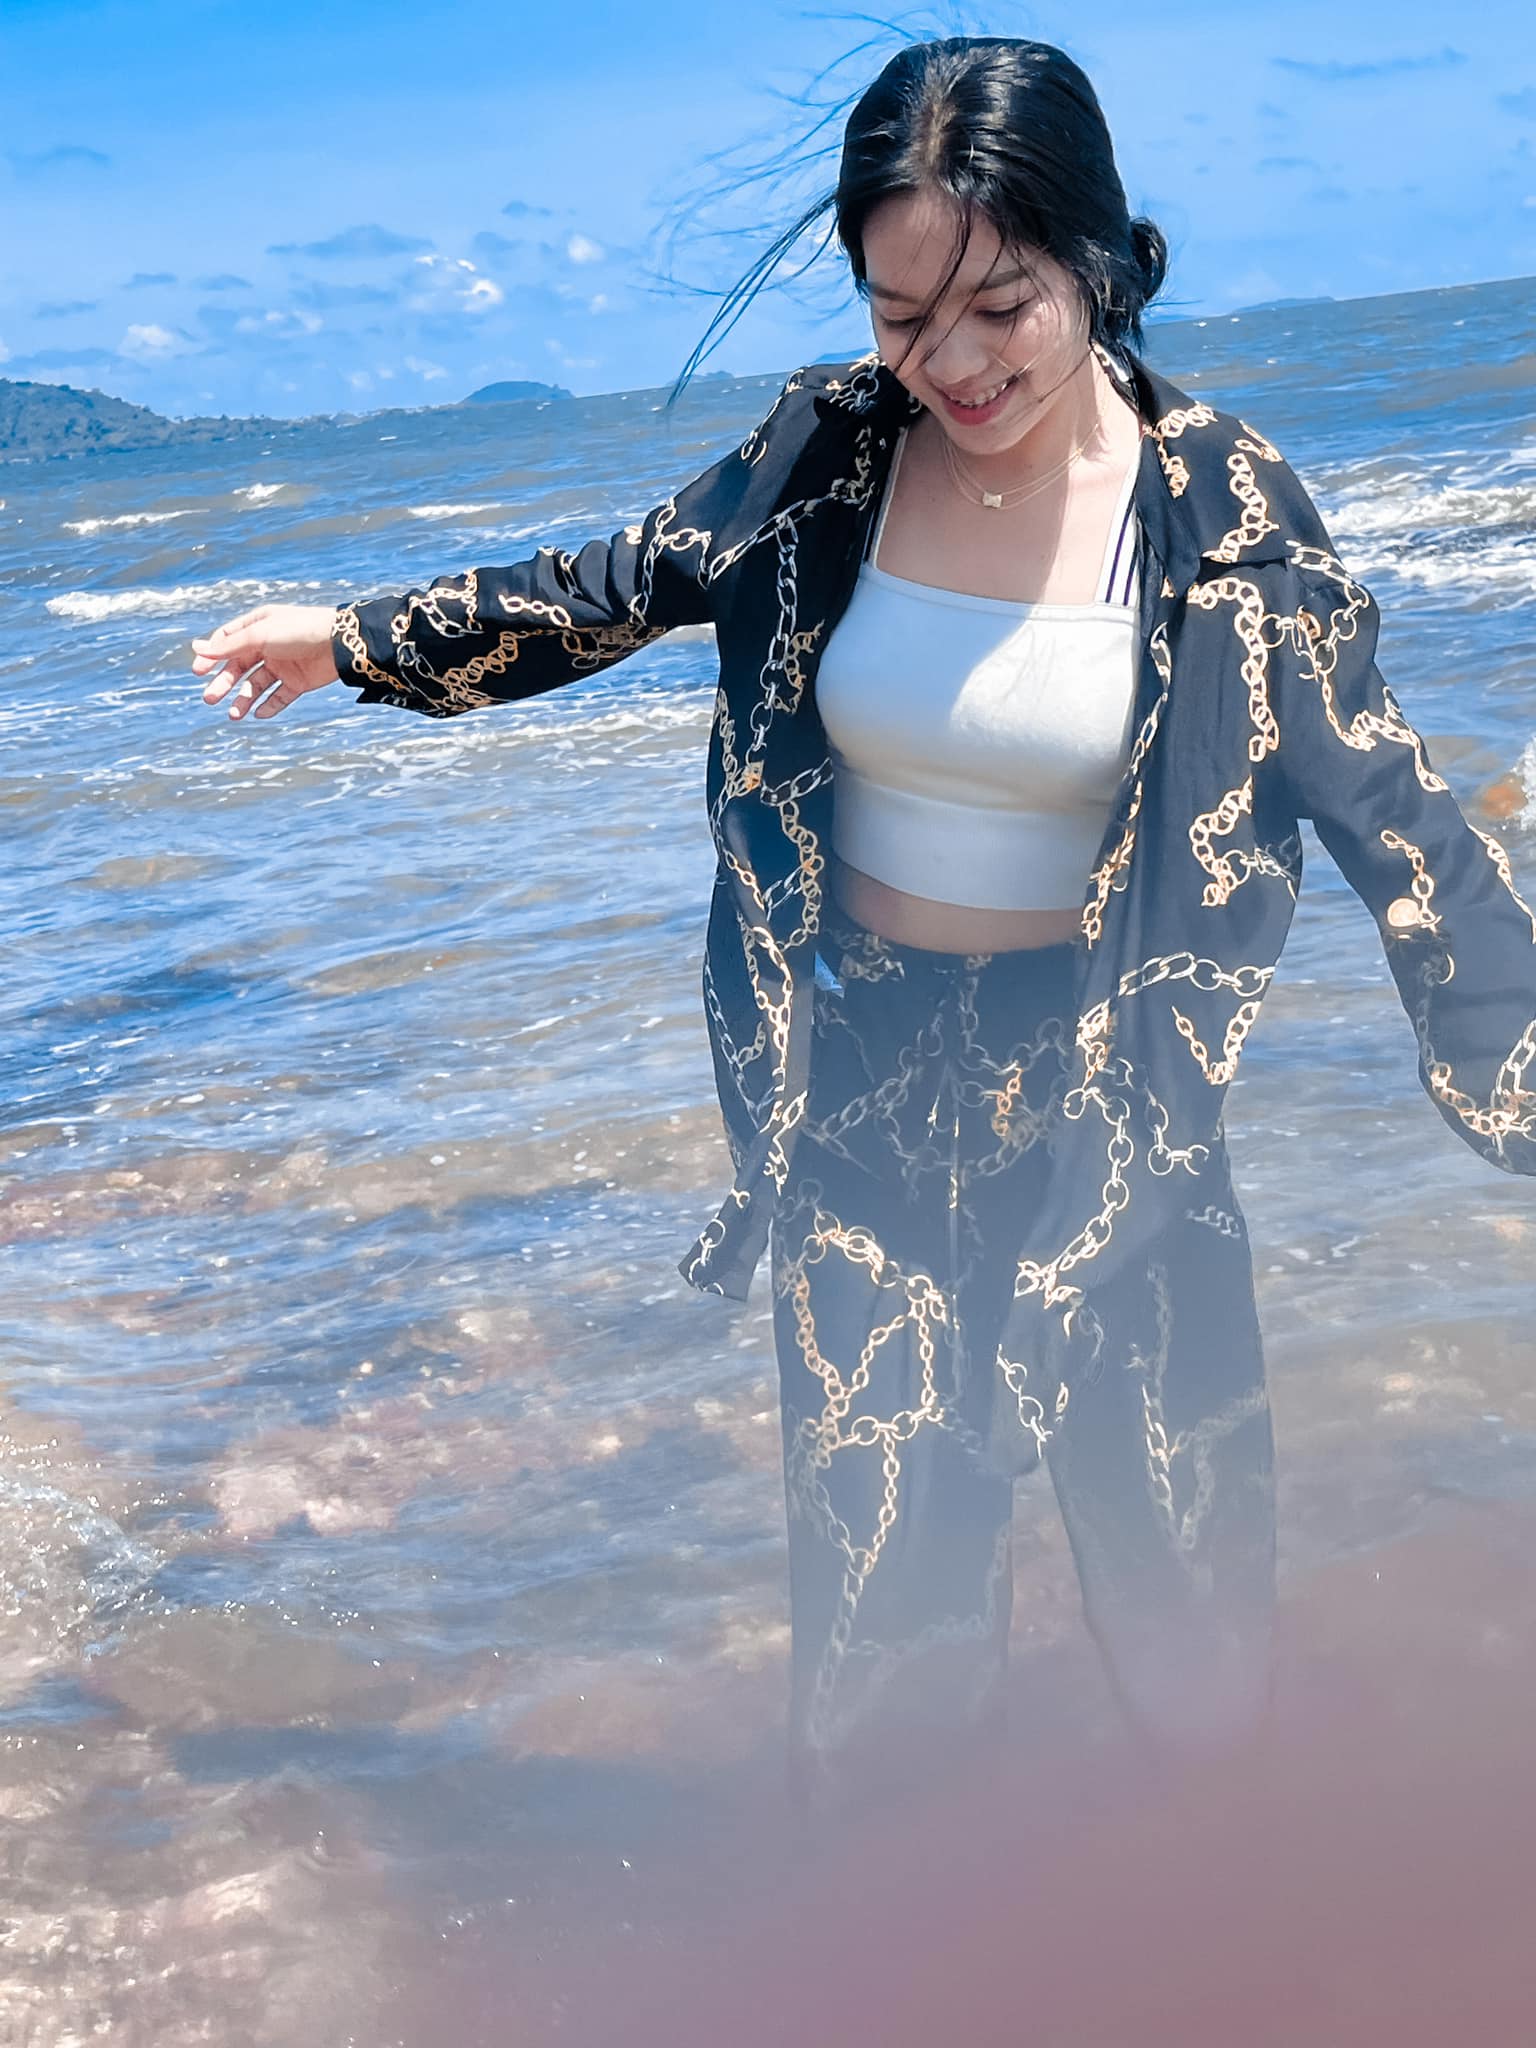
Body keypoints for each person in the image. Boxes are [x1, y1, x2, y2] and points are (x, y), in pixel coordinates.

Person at [190, 36, 1536, 1808]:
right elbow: (617, 584)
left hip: (1111, 1111)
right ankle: (913, 1919)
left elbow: (1405, 827)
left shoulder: (1219, 512)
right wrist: (355, 641)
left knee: (1189, 1611)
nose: (952, 364)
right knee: (886, 1628)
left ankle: (1222, 1910)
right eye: (904, 316)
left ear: (1098, 260)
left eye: (1000, 307)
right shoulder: (830, 452)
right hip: (861, 1101)